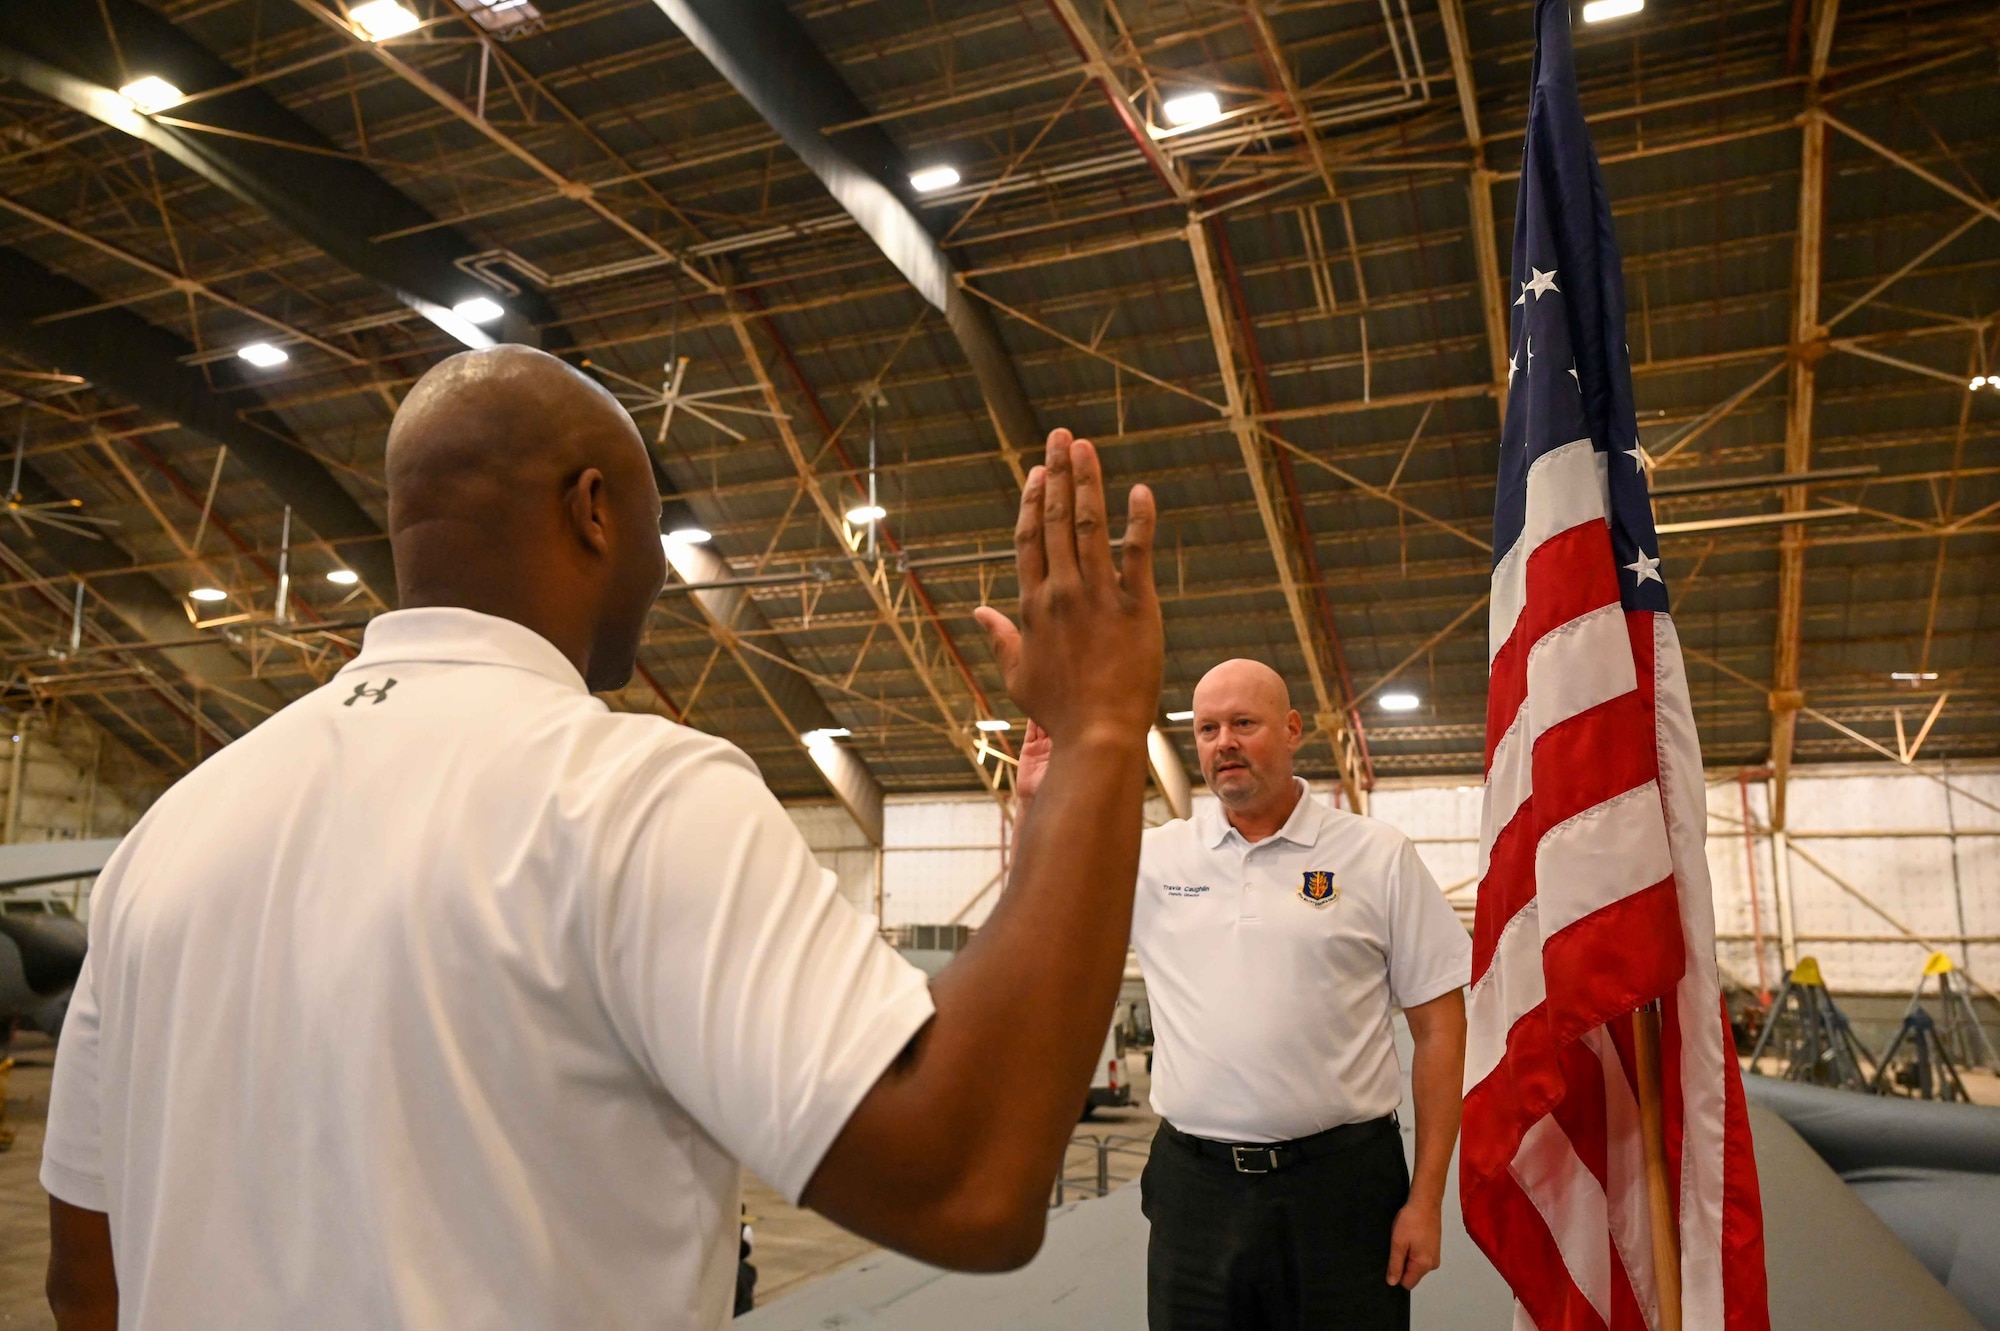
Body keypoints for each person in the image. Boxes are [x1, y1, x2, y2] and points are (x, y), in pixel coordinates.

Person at [40, 345, 1164, 1330]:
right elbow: (966, 1179)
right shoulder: (628, 792)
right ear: (592, 510)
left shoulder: (169, 834)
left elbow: (87, 1284)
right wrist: (1104, 727)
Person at [1017, 659, 1471, 1331]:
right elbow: (1043, 919)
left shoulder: (1376, 855)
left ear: (1291, 730)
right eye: (1206, 728)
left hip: (1343, 1189)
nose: (1222, 740)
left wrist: (1426, 1198)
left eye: (1243, 723)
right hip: (1195, 1191)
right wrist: (1037, 805)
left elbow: (1440, 1028)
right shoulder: (1155, 858)